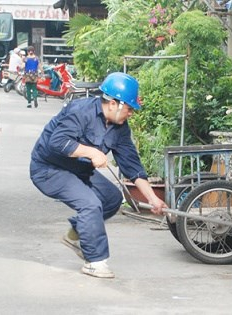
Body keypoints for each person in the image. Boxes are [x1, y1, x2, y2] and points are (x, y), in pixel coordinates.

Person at [29, 72, 167, 279]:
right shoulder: (79, 111)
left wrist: (152, 198)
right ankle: (95, 261)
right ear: (113, 104)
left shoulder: (119, 128)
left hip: (78, 170)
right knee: (90, 204)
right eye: (129, 108)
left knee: (111, 199)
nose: (131, 113)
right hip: (49, 169)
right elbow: (57, 143)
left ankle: (76, 235)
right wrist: (91, 152)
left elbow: (131, 165)